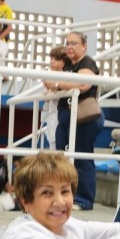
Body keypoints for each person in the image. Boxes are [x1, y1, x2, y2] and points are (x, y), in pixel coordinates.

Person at [44, 31, 104, 211]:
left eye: (74, 43)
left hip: (84, 118)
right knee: (61, 158)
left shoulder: (88, 63)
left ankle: (84, 200)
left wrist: (57, 85)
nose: (69, 47)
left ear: (84, 46)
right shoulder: (68, 64)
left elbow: (83, 85)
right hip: (65, 117)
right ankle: (64, 196)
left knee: (82, 157)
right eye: (67, 43)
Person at [42, 46, 66, 150]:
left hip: (60, 114)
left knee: (57, 143)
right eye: (51, 59)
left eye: (56, 59)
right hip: (52, 113)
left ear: (63, 62)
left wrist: (53, 89)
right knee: (52, 141)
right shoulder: (49, 75)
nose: (52, 62)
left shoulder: (66, 76)